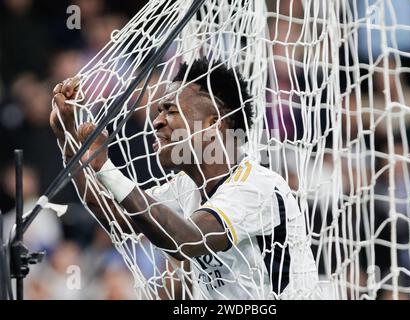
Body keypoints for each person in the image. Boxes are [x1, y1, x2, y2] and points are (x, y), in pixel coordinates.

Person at [49, 58, 318, 299]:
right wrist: (68, 140)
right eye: (159, 112)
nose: (157, 122)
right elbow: (112, 214)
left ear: (214, 124)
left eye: (171, 111)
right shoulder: (186, 187)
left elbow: (184, 240)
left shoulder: (256, 186)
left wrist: (106, 167)